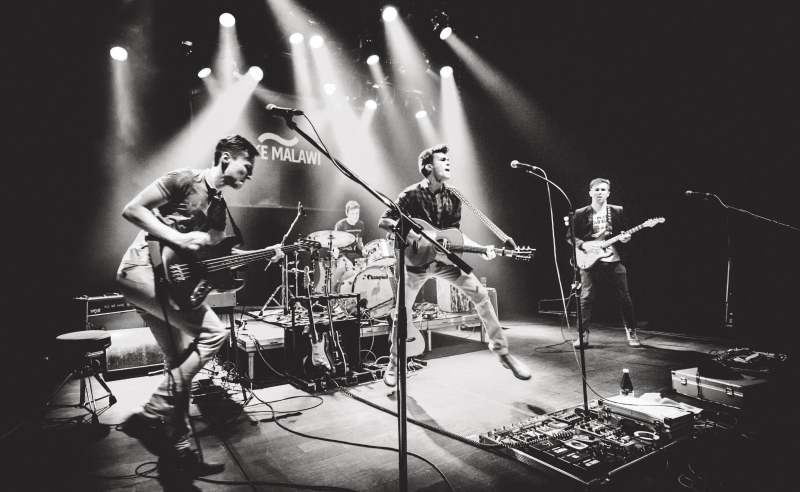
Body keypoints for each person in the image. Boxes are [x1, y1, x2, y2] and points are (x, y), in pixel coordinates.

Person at [116, 135, 283, 477]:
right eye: (247, 165)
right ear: (226, 158)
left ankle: (179, 455)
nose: (250, 174)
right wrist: (177, 237)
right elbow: (132, 209)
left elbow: (217, 255)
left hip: (167, 283)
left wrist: (264, 254)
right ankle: (151, 413)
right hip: (141, 271)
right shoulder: (184, 179)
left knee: (179, 366)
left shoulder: (219, 207)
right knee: (214, 333)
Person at [378, 143, 531, 386]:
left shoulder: (454, 196)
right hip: (415, 263)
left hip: (444, 261)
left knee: (481, 295)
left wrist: (481, 248)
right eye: (442, 159)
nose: (448, 162)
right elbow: (385, 221)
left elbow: (454, 235)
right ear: (428, 166)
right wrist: (411, 234)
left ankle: (503, 353)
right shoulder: (411, 194)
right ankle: (394, 362)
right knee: (401, 313)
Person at [567, 178, 640, 348]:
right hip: (588, 258)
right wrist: (583, 245)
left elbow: (624, 232)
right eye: (597, 189)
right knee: (586, 297)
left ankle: (631, 330)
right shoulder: (580, 213)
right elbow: (570, 236)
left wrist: (626, 238)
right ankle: (582, 334)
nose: (600, 192)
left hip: (613, 258)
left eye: (603, 190)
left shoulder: (617, 211)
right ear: (590, 192)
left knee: (624, 296)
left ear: (608, 193)